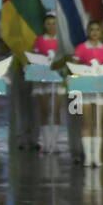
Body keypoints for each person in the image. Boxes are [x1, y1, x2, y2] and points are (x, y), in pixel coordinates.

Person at [72, 20, 103, 167]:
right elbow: (74, 69)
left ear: (101, 32)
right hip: (85, 89)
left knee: (99, 123)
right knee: (86, 122)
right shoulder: (81, 48)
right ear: (88, 31)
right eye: (92, 30)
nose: (95, 33)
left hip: (101, 89)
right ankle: (88, 158)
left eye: (97, 29)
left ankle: (96, 158)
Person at [32, 12, 62, 153]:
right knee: (44, 110)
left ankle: (54, 144)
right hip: (43, 80)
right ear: (44, 25)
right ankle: (46, 143)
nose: (51, 26)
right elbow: (35, 58)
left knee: (56, 110)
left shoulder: (61, 40)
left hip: (59, 80)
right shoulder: (39, 40)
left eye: (53, 23)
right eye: (48, 23)